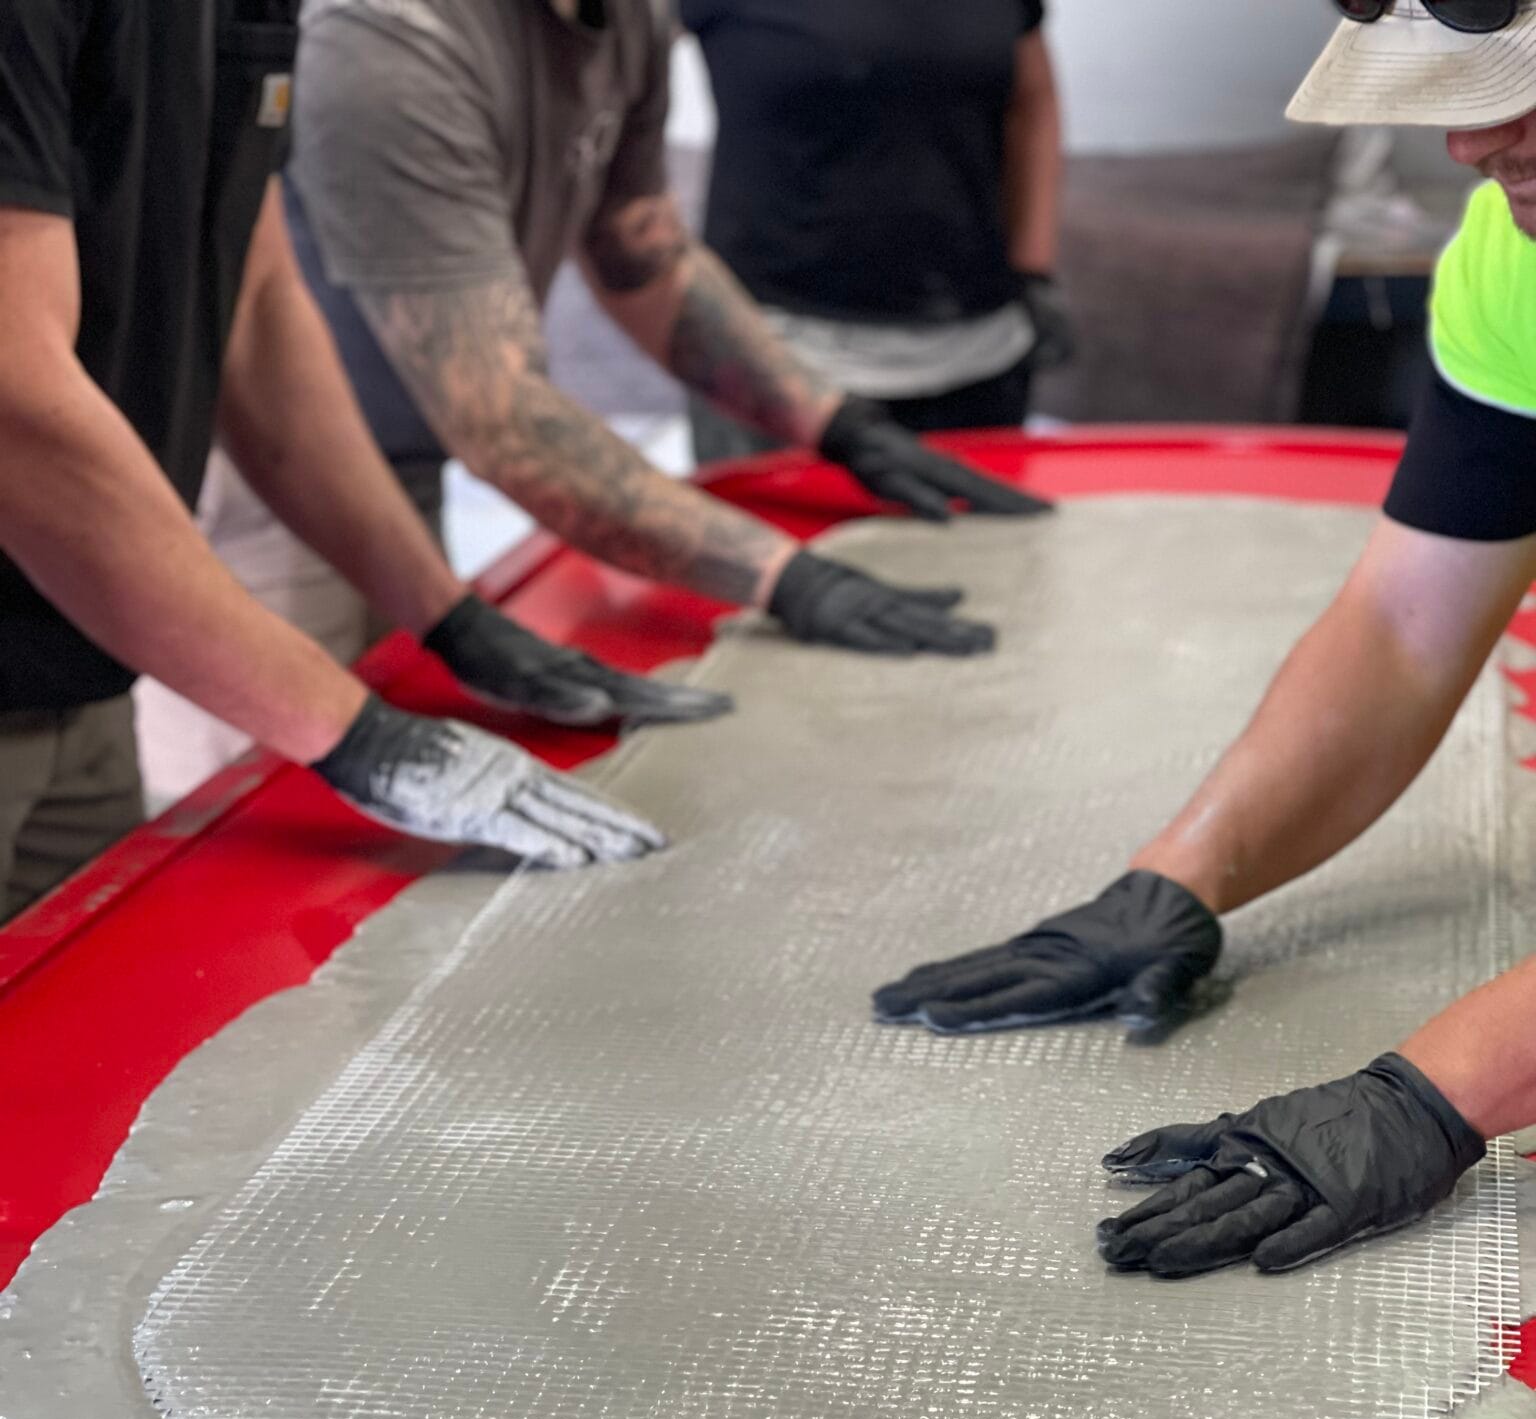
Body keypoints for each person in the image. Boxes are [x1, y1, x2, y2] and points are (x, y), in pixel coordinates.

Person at [874, 0, 1536, 1281]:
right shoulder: (1515, 263)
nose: (1465, 145)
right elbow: (1408, 625)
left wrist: (1437, 1092)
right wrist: (1183, 875)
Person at [0, 0, 685, 926]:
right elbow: (16, 404)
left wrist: (448, 617)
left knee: (79, 1034)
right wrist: (359, 736)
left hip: (85, 659)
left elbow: (259, 305)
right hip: (48, 607)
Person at [279, 0, 1050, 676]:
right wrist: (786, 578)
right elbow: (499, 415)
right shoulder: (387, 40)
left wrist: (837, 424)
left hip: (404, 450)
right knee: (306, 769)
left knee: (408, 716)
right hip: (283, 475)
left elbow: (644, 258)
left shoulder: (625, 16)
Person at [680, 0, 1074, 468]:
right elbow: (607, 70)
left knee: (988, 537)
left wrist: (1033, 269)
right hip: (777, 360)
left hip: (976, 356)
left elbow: (1031, 101)